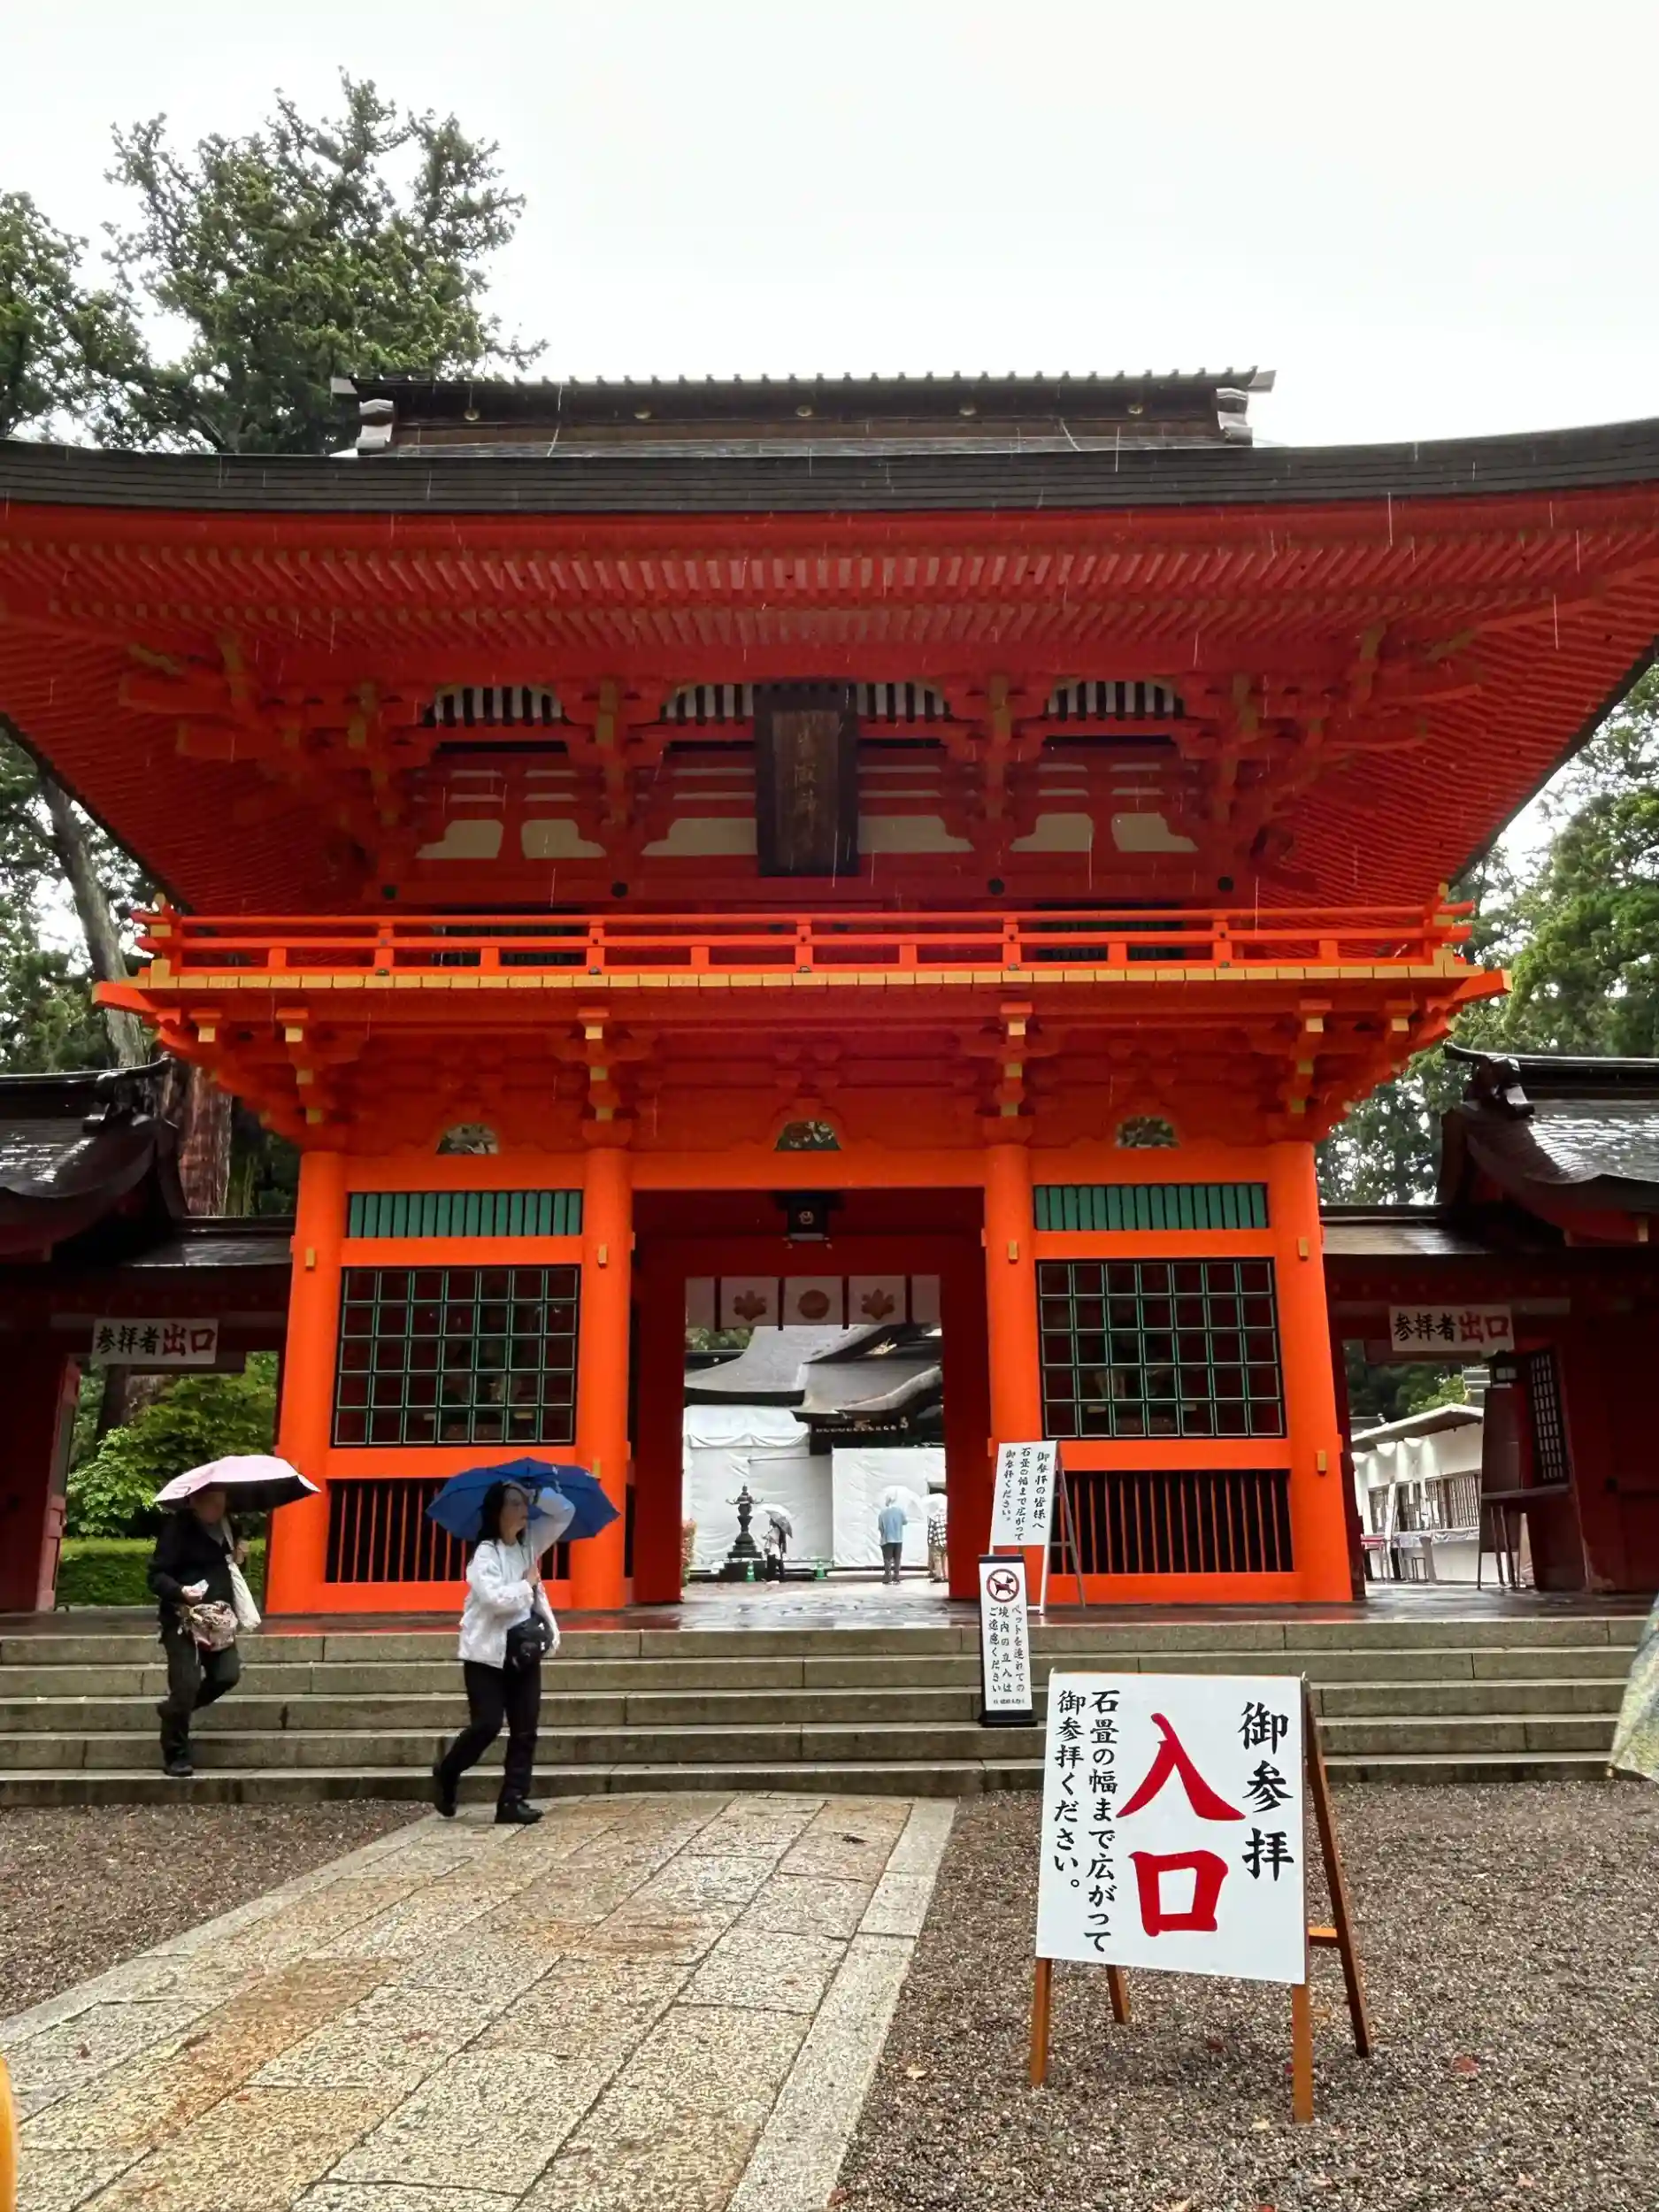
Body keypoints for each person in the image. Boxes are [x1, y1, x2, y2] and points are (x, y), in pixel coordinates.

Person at [433, 1480, 560, 1824]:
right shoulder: (484, 1554)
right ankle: (448, 1771)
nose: (523, 1509)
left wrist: (539, 1494)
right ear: (498, 1512)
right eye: (515, 1503)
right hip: (486, 1654)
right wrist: (526, 1585)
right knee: (487, 1725)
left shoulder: (528, 1545)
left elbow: (565, 1513)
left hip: (524, 1650)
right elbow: (495, 1601)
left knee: (525, 1728)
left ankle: (512, 1801)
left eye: (524, 1503)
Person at [147, 1486, 247, 1778]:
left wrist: (241, 1558)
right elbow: (155, 1575)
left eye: (220, 1502)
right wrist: (179, 1591)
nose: (216, 1508)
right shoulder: (177, 1529)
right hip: (183, 1619)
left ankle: (173, 1711)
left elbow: (228, 1572)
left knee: (227, 1675)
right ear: (194, 1502)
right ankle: (176, 1753)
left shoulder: (230, 1527)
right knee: (186, 1685)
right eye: (210, 1502)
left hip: (218, 1619)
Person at [877, 1496, 907, 1584]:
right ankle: (896, 1576)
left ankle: (888, 1577)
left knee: (887, 1559)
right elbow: (905, 1522)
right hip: (898, 1538)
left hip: (887, 1539)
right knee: (897, 1558)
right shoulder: (900, 1511)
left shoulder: (883, 1512)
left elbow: (880, 1527)